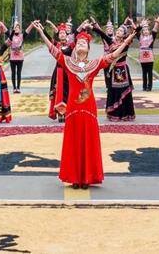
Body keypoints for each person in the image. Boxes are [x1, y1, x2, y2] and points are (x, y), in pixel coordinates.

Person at [33, 20, 137, 188]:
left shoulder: (94, 64)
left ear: (88, 48)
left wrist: (126, 42)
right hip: (73, 109)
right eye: (79, 42)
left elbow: (113, 56)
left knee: (88, 142)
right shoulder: (68, 62)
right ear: (75, 48)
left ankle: (87, 177)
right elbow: (52, 49)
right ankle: (74, 177)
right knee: (73, 142)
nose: (81, 43)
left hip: (89, 108)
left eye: (84, 42)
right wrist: (41, 33)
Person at [93, 17, 137, 121]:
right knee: (113, 90)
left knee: (124, 91)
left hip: (123, 70)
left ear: (124, 34)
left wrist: (131, 23)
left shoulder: (126, 42)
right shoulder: (111, 42)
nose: (118, 32)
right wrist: (93, 26)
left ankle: (126, 114)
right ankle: (114, 114)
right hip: (113, 69)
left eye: (121, 31)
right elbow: (103, 34)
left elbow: (136, 32)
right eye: (117, 30)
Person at [45, 20, 74, 122]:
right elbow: (48, 38)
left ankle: (67, 112)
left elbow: (78, 36)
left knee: (68, 91)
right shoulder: (56, 45)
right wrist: (41, 29)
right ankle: (59, 113)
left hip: (68, 71)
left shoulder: (71, 46)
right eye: (60, 33)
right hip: (58, 71)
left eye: (63, 33)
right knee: (58, 92)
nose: (62, 34)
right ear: (58, 35)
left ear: (67, 35)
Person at [7, 20, 34, 93]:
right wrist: (1, 24)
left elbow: (27, 31)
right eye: (15, 27)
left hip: (20, 57)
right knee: (13, 73)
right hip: (12, 57)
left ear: (19, 29)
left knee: (18, 73)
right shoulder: (11, 36)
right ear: (13, 29)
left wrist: (32, 24)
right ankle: (14, 88)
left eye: (18, 28)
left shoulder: (21, 36)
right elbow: (5, 30)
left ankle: (18, 88)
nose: (16, 29)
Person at [136, 17, 159, 91]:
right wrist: (141, 24)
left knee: (149, 72)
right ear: (142, 32)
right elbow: (136, 31)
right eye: (144, 30)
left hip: (150, 58)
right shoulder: (140, 37)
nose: (145, 31)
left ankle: (149, 87)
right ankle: (144, 86)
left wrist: (157, 22)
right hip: (143, 58)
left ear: (149, 31)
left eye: (147, 30)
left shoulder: (151, 37)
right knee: (144, 72)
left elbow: (155, 30)